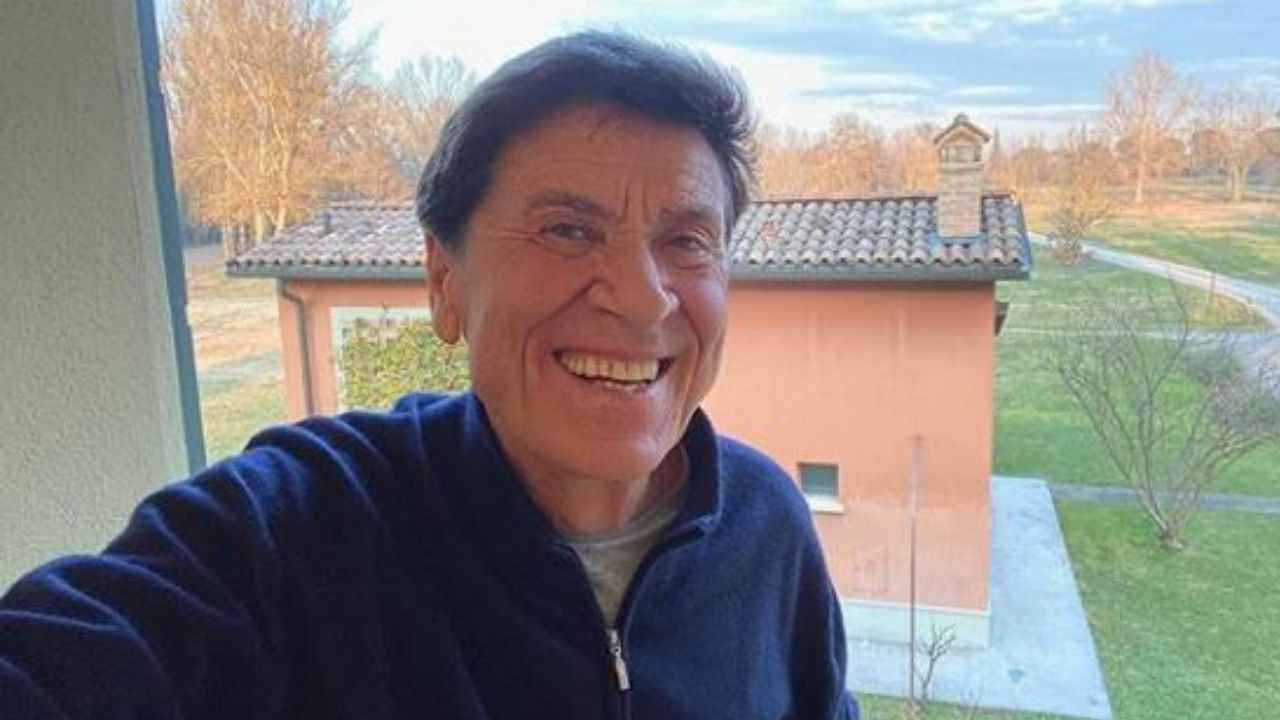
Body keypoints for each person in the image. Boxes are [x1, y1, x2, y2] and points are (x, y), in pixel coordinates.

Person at [0, 32, 858, 719]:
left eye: (687, 241)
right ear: (445, 283)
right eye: (567, 230)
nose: (641, 299)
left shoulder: (767, 526)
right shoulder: (294, 530)